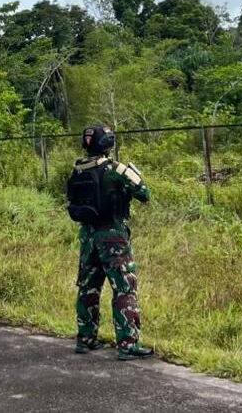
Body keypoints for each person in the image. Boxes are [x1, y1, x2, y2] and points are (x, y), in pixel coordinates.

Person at [67, 124, 153, 359]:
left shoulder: (78, 169)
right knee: (124, 288)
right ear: (108, 143)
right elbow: (144, 193)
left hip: (88, 237)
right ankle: (127, 344)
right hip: (113, 235)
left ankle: (86, 339)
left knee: (88, 287)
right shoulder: (115, 169)